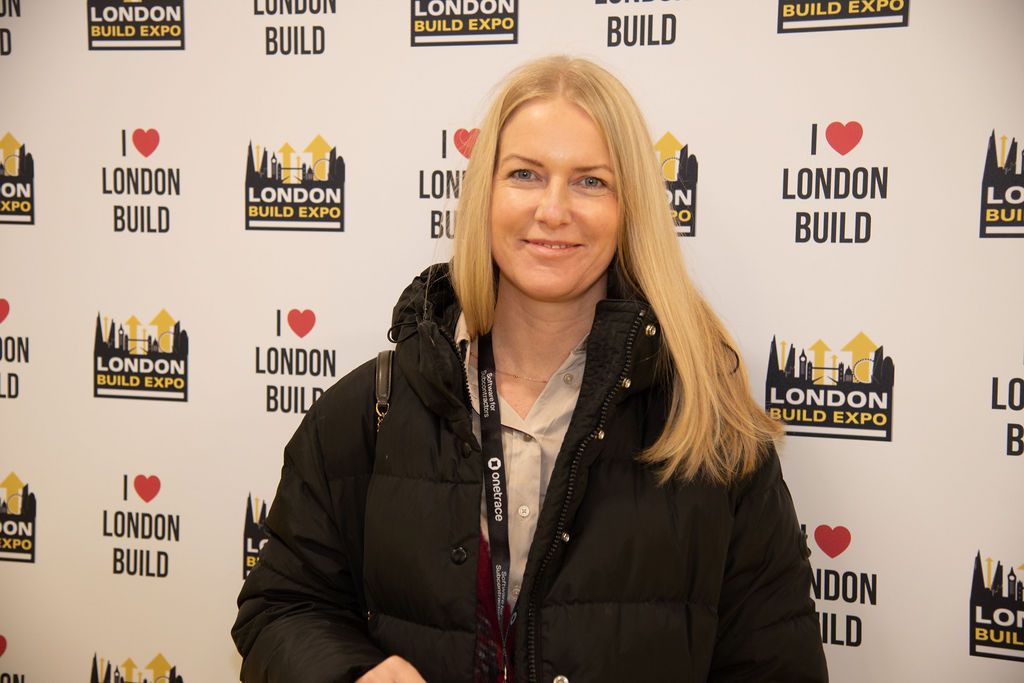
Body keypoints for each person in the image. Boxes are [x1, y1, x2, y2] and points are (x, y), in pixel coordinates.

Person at [232, 55, 828, 683]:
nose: (553, 209)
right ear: (483, 195)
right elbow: (281, 609)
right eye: (525, 174)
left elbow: (775, 665)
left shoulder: (708, 422)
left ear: (631, 208)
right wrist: (351, 674)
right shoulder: (368, 408)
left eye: (591, 181)